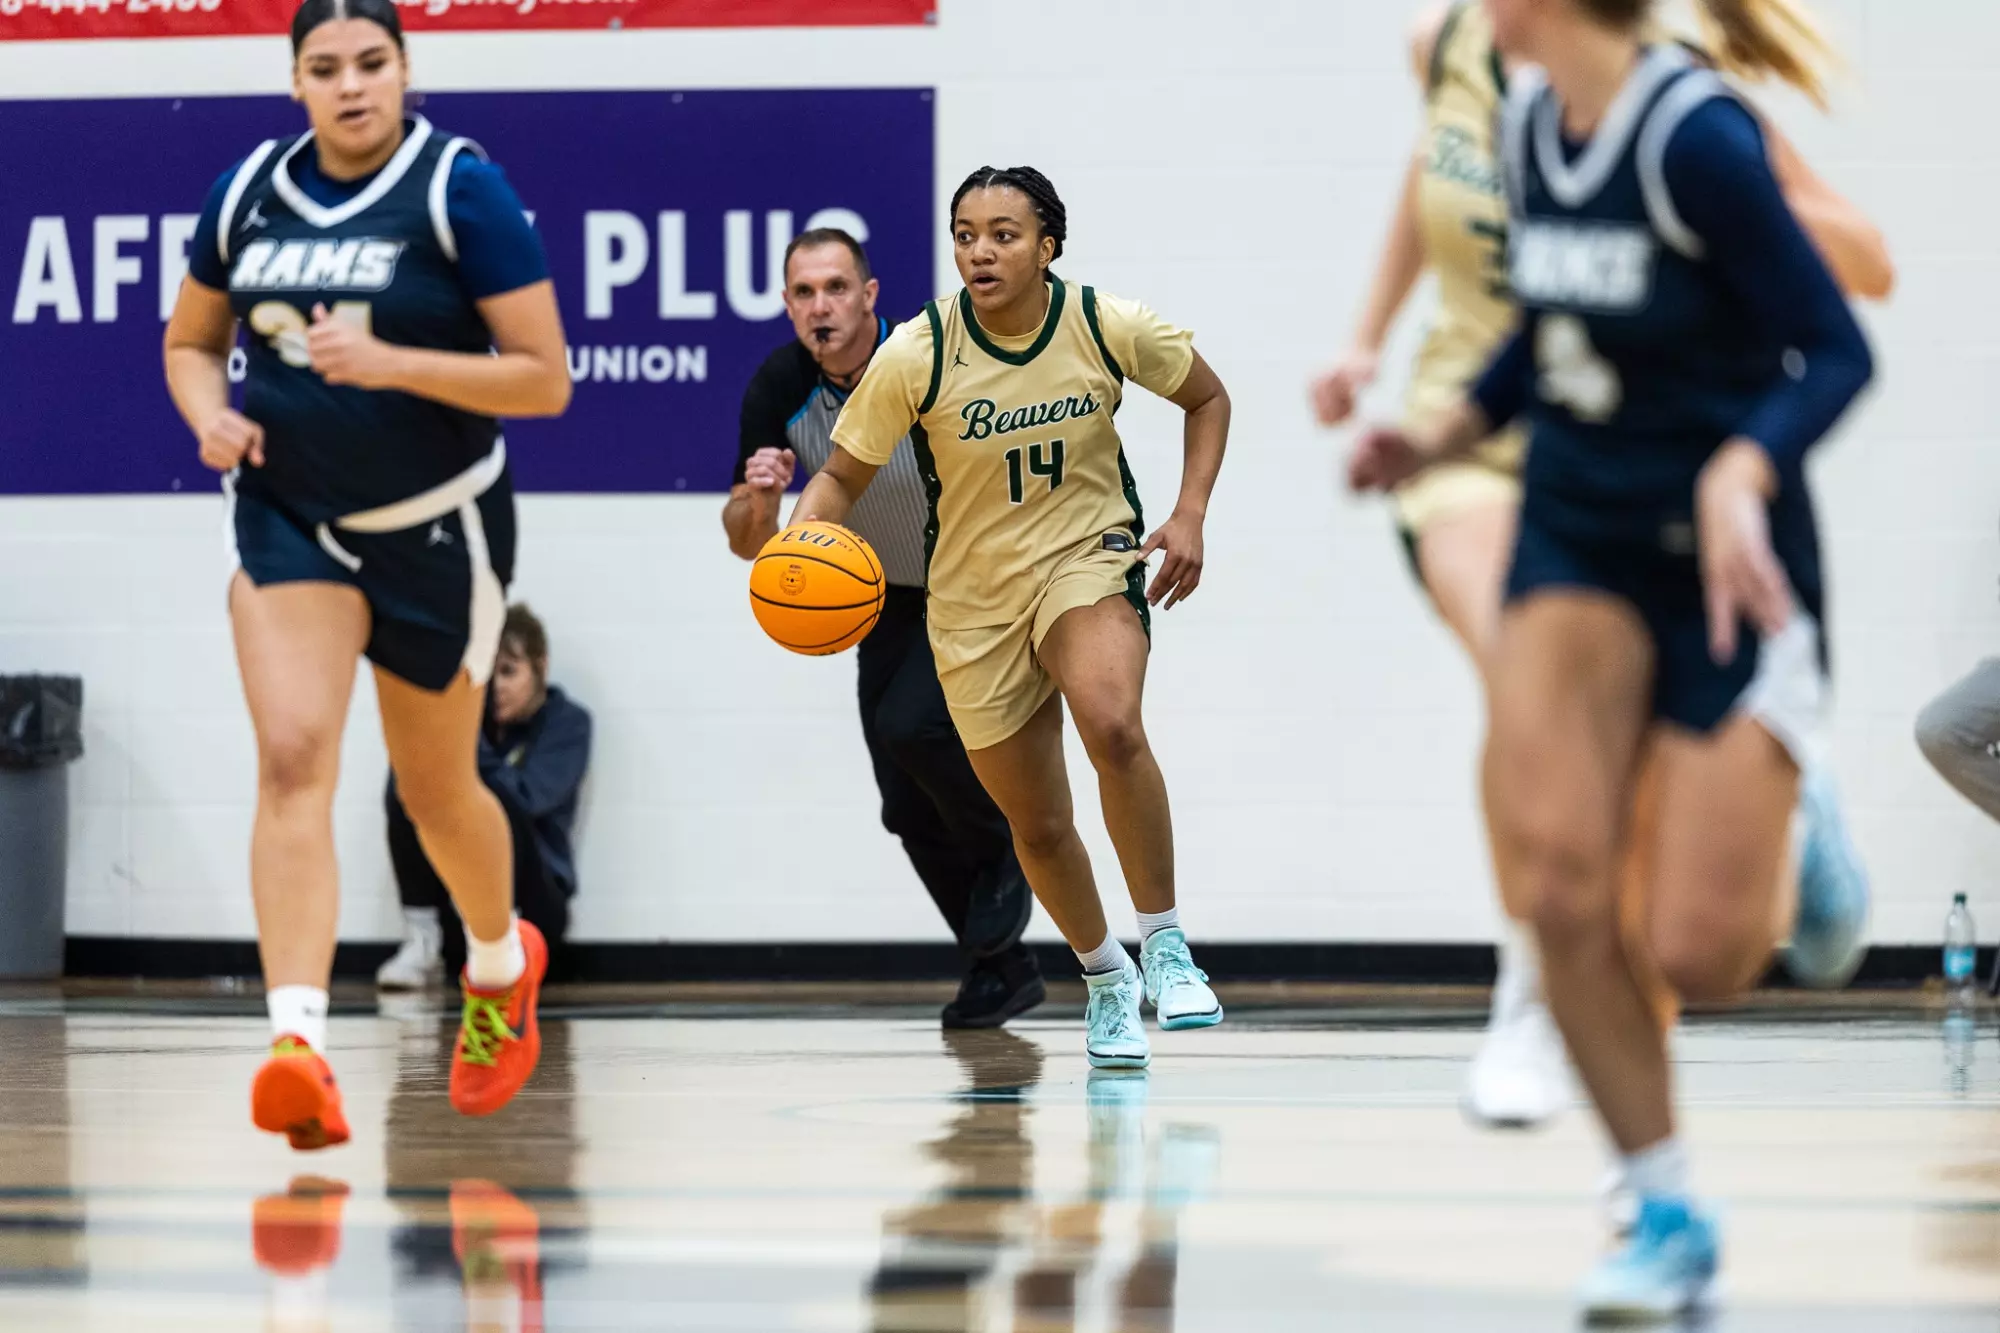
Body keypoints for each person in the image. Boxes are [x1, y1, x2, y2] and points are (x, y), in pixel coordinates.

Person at [1347, 0, 1873, 1315]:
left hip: (1723, 557)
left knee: (1698, 951)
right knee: (1560, 883)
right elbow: (1546, 330)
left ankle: (1794, 801)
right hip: (1574, 538)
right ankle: (1664, 1200)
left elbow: (1838, 346)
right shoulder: (1524, 120)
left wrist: (1747, 465)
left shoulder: (1694, 136)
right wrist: (1445, 431)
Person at [161, 0, 570, 1149]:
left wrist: (391, 362)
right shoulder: (247, 190)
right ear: (294, 81)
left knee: (436, 789)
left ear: (405, 70)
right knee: (293, 758)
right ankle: (299, 1045)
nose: (350, 86)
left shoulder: (459, 188)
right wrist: (210, 416)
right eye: (325, 68)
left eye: (372, 64)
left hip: (438, 526)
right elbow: (190, 343)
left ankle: (499, 963)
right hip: (291, 516)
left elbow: (544, 381)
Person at [791, 166, 1231, 1070]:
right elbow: (838, 476)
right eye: (964, 233)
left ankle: (1167, 945)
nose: (980, 251)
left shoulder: (1105, 324)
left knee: (1111, 720)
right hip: (973, 604)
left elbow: (1208, 396)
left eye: (1002, 233)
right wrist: (803, 549)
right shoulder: (918, 352)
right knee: (1037, 822)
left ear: (1047, 245)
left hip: (1087, 558)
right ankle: (1105, 976)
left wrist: (1189, 512)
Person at [724, 228, 1044, 1029]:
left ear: (870, 297)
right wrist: (760, 499)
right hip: (889, 595)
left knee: (915, 727)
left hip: (978, 580)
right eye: (804, 293)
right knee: (903, 804)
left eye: (836, 288)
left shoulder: (921, 360)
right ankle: (998, 968)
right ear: (788, 306)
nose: (820, 306)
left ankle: (1014, 839)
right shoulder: (779, 384)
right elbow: (747, 541)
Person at [378, 604, 591, 989]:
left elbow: (527, 800)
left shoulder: (568, 723)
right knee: (409, 774)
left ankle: (503, 945)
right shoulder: (476, 722)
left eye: (509, 671)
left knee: (496, 802)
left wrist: (464, 738)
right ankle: (423, 940)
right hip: (463, 904)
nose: (497, 686)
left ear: (541, 666)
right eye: (489, 673)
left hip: (536, 901)